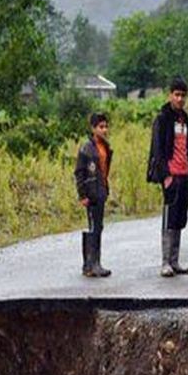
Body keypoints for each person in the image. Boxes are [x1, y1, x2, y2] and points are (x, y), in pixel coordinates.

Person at [147, 76, 188, 277]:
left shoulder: (185, 119)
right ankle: (165, 262)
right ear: (170, 95)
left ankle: (175, 261)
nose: (180, 99)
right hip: (171, 175)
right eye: (177, 95)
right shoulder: (162, 118)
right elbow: (157, 150)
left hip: (185, 175)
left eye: (183, 95)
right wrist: (165, 176)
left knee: (179, 219)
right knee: (168, 219)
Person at [74, 112, 113, 277]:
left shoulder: (105, 147)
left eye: (105, 126)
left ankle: (93, 263)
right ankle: (90, 264)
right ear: (93, 128)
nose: (104, 130)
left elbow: (104, 171)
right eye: (100, 127)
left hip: (100, 191)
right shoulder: (86, 149)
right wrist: (82, 194)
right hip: (91, 193)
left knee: (98, 227)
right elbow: (79, 173)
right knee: (93, 228)